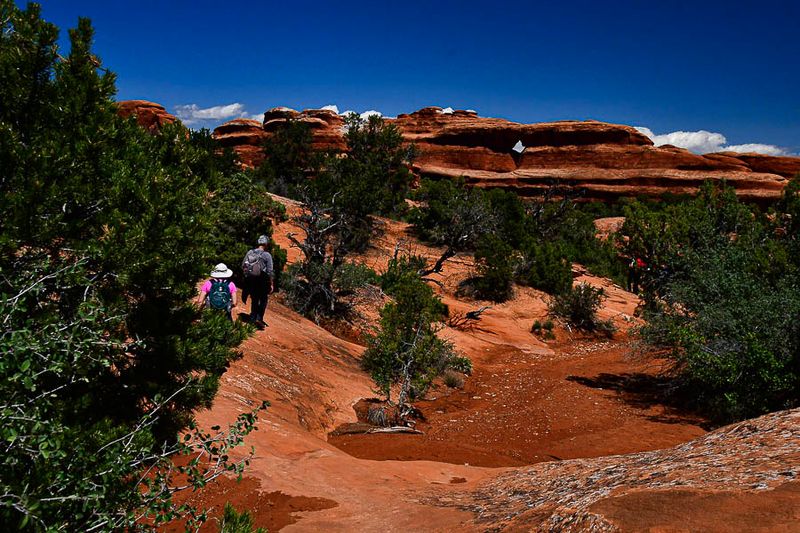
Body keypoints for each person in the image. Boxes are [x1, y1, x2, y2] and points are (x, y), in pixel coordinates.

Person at [241, 235, 274, 328]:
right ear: (266, 244)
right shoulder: (267, 255)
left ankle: (252, 317)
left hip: (251, 279)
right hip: (262, 281)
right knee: (263, 299)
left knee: (254, 298)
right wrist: (271, 284)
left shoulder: (250, 252)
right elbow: (270, 271)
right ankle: (259, 318)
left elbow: (243, 265)